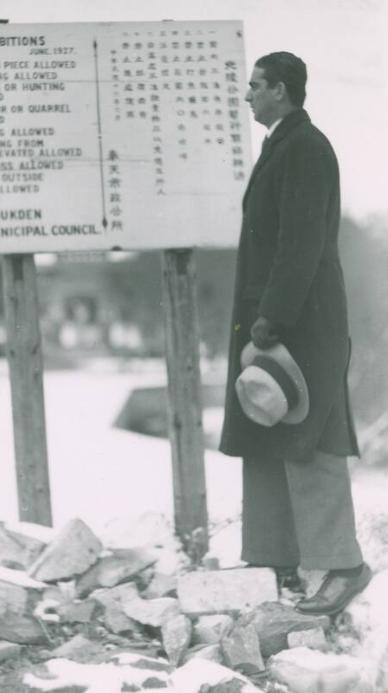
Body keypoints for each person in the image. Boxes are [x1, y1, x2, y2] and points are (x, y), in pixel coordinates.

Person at [219, 51, 371, 615]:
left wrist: (274, 317)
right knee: (265, 431)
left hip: (300, 324)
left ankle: (342, 567)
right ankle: (274, 562)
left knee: (311, 440)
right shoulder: (283, 144)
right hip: (277, 319)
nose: (248, 94)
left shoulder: (305, 147)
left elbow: (301, 244)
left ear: (281, 90)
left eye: (255, 86)